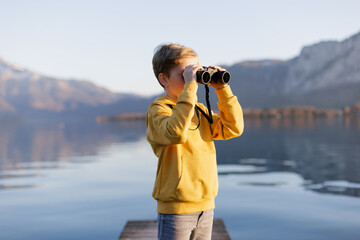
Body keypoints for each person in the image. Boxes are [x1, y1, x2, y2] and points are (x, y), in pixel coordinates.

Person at [146, 43, 244, 240]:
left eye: (196, 72)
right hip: (176, 208)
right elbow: (175, 132)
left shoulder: (199, 110)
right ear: (163, 79)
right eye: (184, 75)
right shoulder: (158, 110)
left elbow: (233, 128)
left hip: (206, 205)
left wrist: (223, 89)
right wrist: (190, 89)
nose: (193, 80)